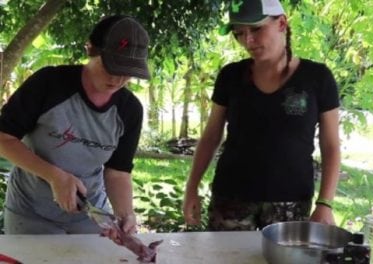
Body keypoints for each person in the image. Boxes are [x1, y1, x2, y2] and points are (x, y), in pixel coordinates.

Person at [183, 0, 341, 231]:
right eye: (239, 33)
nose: (248, 41)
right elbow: (210, 137)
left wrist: (325, 203)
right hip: (231, 198)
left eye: (256, 29)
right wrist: (191, 188)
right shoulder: (230, 76)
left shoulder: (317, 78)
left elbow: (331, 146)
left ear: (282, 24)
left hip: (292, 202)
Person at [0, 15, 149, 238]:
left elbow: (118, 172)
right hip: (30, 211)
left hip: (90, 215)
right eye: (111, 67)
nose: (118, 80)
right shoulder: (49, 84)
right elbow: (4, 138)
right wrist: (55, 176)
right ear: (90, 49)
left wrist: (125, 214)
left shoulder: (130, 110)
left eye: (127, 72)